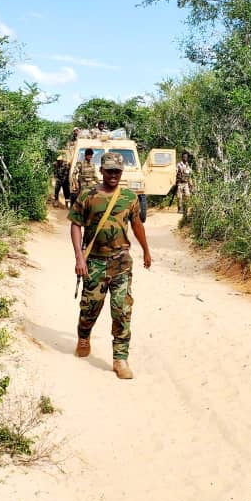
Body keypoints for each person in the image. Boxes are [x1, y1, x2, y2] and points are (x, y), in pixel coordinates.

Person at [69, 152, 151, 379]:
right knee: (90, 307)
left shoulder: (129, 197)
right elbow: (75, 225)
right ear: (102, 171)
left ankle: (120, 358)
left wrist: (146, 250)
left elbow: (137, 225)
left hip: (121, 261)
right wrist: (79, 257)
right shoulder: (88, 195)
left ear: (121, 172)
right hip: (94, 261)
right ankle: (84, 337)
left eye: (117, 171)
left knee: (122, 310)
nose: (113, 175)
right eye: (109, 170)